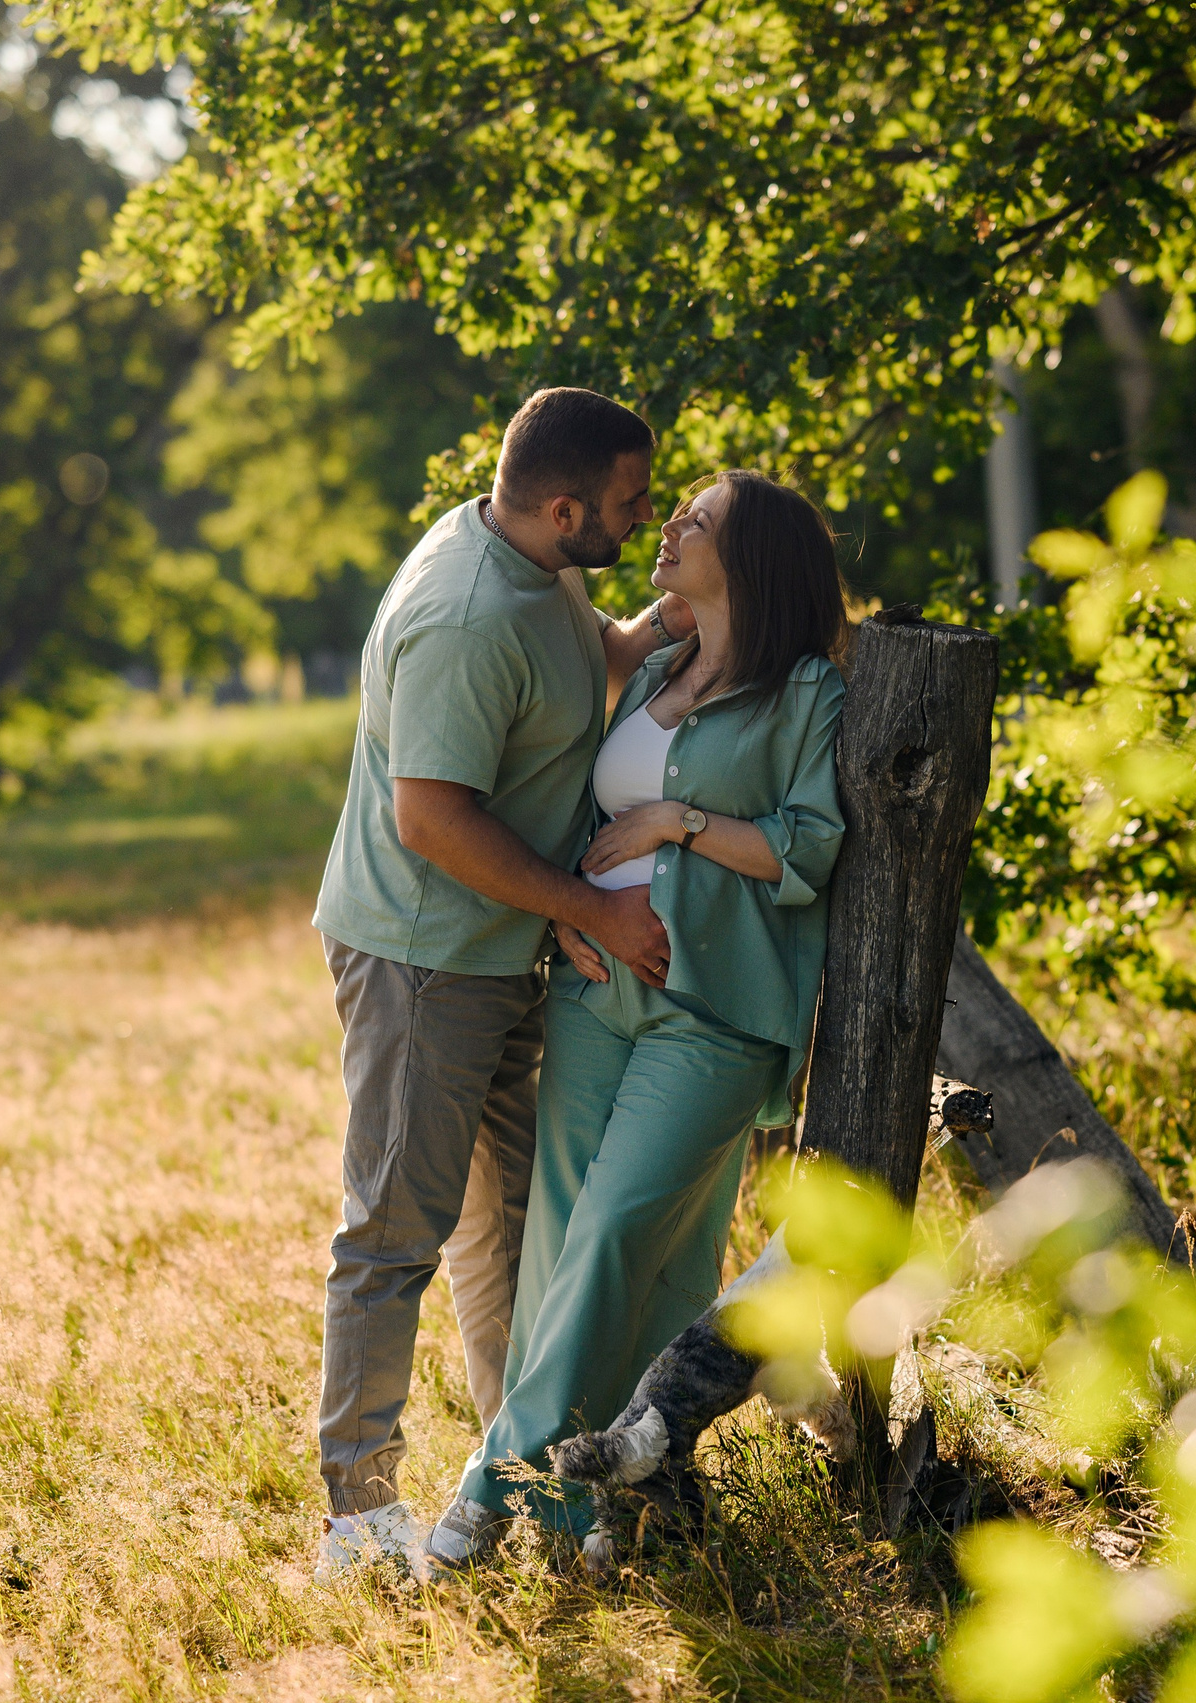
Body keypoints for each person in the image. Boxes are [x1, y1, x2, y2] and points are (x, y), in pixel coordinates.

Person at [424, 469, 850, 1570]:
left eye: (696, 519)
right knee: (567, 1246)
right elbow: (591, 816)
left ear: (750, 560)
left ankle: (490, 1488)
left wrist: (677, 819)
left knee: (615, 1235)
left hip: (715, 1008)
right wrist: (572, 907)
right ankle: (593, 1514)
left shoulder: (806, 690)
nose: (669, 524)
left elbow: (807, 847)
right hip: (595, 991)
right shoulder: (656, 668)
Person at [311, 387, 695, 1575]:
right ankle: (359, 1519)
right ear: (564, 507)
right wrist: (588, 906)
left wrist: (675, 617)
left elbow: (587, 660)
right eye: (631, 501)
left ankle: (519, 1479)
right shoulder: (466, 615)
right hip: (423, 960)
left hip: (499, 951)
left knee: (518, 1234)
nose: (645, 516)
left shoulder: (538, 563)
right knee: (395, 1233)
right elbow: (428, 818)